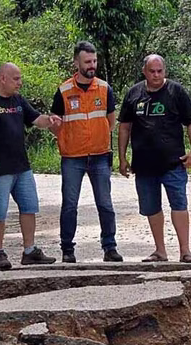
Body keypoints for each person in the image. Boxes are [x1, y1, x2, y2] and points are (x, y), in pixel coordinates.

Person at [0, 62, 62, 270]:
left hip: (22, 166)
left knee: (29, 206)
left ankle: (30, 251)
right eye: (16, 79)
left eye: (20, 78)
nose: (20, 83)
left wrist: (50, 120)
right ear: (2, 78)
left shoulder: (18, 100)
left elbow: (36, 119)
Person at [117, 54, 191, 263]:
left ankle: (185, 251)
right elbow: (124, 127)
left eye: (159, 71)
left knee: (179, 204)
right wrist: (122, 157)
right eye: (152, 71)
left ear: (165, 71)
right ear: (144, 71)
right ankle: (160, 251)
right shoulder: (134, 94)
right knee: (151, 208)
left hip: (173, 162)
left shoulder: (176, 91)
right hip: (144, 165)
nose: (156, 75)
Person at [50, 41, 122, 263]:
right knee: (70, 205)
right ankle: (67, 249)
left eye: (94, 61)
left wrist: (99, 137)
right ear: (76, 63)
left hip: (100, 155)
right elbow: (54, 123)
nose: (92, 65)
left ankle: (110, 247)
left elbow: (111, 121)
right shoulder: (63, 91)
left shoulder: (104, 88)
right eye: (87, 61)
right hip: (72, 157)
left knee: (105, 204)